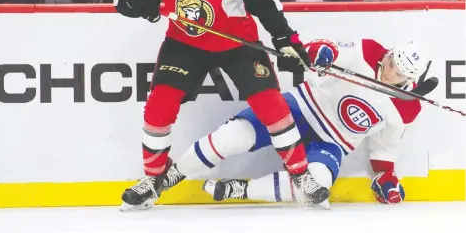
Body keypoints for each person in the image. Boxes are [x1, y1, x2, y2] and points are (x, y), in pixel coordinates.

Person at [113, 0, 329, 211]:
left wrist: (285, 38)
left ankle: (300, 175)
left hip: (235, 40)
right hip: (185, 42)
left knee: (270, 104)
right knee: (159, 107)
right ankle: (152, 180)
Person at [160, 39, 430, 208]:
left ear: (409, 80)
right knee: (234, 136)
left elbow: (385, 146)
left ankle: (241, 190)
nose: (389, 69)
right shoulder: (369, 51)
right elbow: (327, 49)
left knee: (318, 184)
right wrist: (321, 53)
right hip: (302, 106)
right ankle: (171, 175)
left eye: (398, 72)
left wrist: (385, 177)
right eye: (392, 61)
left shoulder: (406, 107)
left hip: (333, 142)